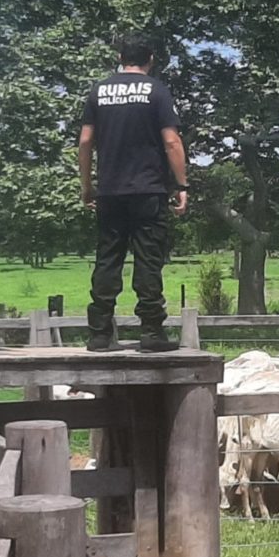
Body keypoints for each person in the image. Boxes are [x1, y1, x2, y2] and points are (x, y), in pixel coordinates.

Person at [78, 33, 188, 352]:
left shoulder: (99, 91)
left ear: (120, 58)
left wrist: (88, 186)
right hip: (148, 190)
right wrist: (181, 185)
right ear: (150, 59)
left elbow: (85, 142)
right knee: (148, 261)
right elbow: (171, 142)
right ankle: (152, 333)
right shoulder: (157, 91)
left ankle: (99, 334)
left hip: (110, 193)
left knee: (108, 260)